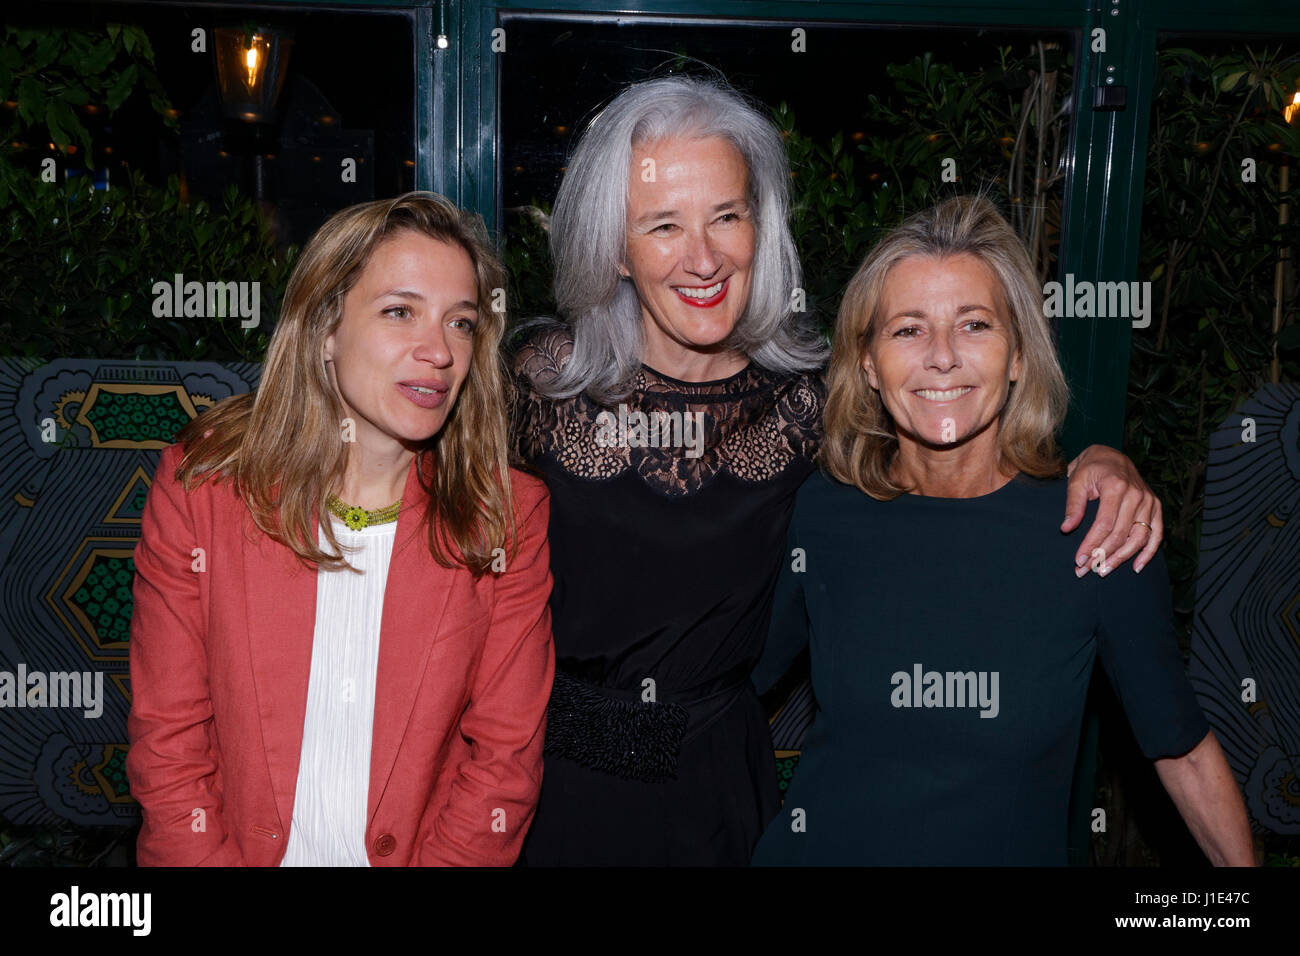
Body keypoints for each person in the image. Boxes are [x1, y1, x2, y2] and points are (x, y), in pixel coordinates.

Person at [511, 75, 1164, 866]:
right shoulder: (542, 381)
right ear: (615, 248)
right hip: (558, 788)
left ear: (761, 226)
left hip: (720, 792)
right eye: (662, 226)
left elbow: (962, 439)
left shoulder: (810, 402)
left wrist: (1101, 457)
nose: (704, 256)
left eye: (727, 216)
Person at [751, 195, 1255, 865]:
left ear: (1018, 355)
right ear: (868, 364)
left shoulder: (1096, 532)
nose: (942, 357)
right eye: (907, 329)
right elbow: (734, 686)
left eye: (975, 324)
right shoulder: (824, 510)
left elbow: (1181, 748)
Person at [127, 192, 554, 866]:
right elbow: (170, 743)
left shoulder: (506, 516)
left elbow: (503, 762)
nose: (437, 351)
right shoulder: (206, 488)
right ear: (326, 326)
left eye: (461, 323)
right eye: (399, 312)